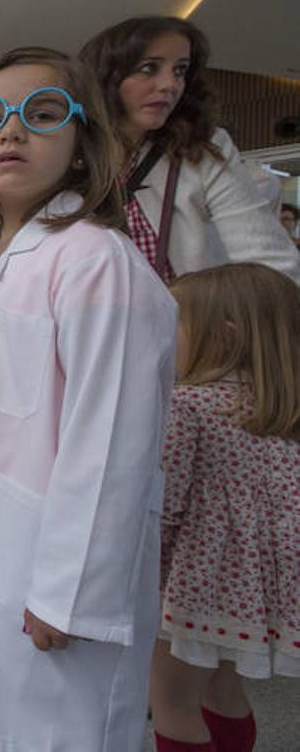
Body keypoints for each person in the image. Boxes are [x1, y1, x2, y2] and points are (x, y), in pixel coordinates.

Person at [0, 46, 176, 751]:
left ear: (84, 143)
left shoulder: (95, 261)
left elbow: (111, 442)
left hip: (52, 587)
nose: (11, 132)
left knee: (56, 733)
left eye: (42, 114)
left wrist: (70, 590)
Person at [150, 263, 299, 752]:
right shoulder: (282, 413)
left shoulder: (186, 407)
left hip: (188, 591)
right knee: (226, 691)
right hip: (252, 598)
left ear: (224, 338)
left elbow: (164, 509)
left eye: (173, 323)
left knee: (173, 703)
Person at [80, 16, 300, 284]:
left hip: (191, 320)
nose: (170, 85)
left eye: (180, 70)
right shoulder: (71, 151)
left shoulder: (204, 147)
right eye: (149, 68)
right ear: (106, 76)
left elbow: (271, 262)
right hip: (92, 320)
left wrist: (224, 318)